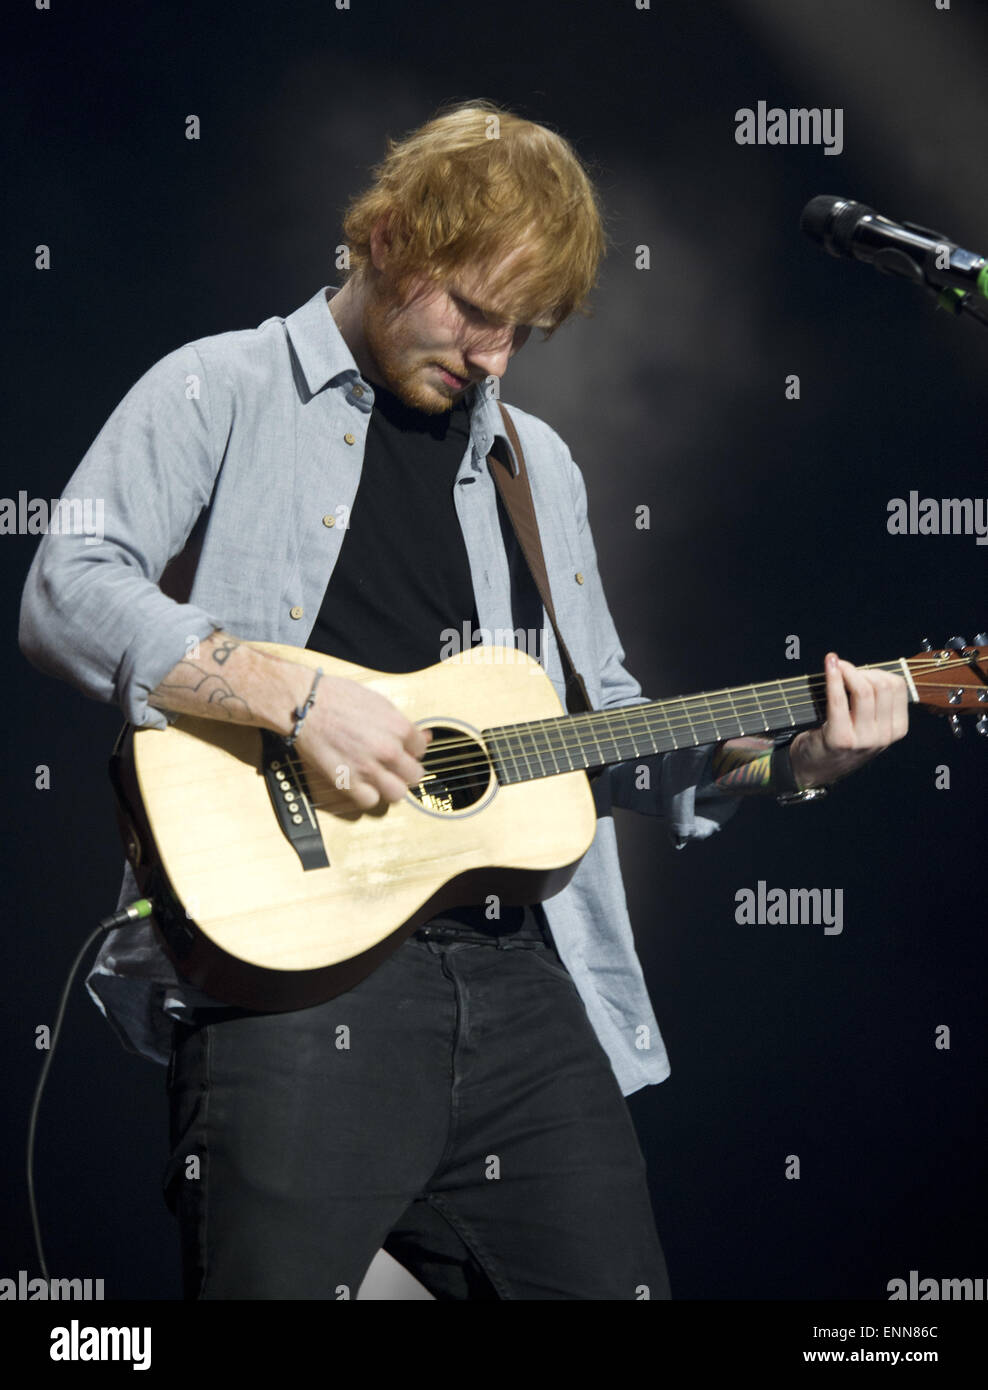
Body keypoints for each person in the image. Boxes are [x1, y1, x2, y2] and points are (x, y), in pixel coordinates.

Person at [18, 99, 909, 1300]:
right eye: (475, 312)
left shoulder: (538, 465)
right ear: (386, 239)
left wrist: (786, 768)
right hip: (294, 978)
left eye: (523, 333)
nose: (492, 356)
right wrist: (291, 694)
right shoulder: (216, 386)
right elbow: (65, 586)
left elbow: (613, 740)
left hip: (519, 989)